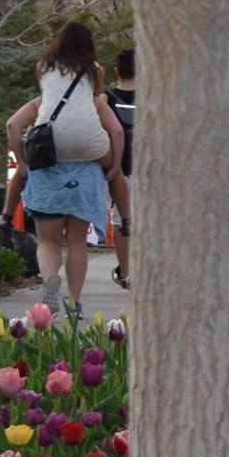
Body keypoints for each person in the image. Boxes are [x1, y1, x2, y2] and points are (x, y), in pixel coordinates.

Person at [0, 20, 122, 317]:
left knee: (48, 242)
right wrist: (115, 165)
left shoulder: (43, 66)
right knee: (77, 243)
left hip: (48, 164)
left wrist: (23, 162)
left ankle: (50, 282)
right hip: (86, 166)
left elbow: (13, 126)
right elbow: (116, 131)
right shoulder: (94, 69)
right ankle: (75, 303)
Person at [103, 48, 136, 289]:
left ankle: (125, 272)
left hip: (118, 170)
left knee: (121, 221)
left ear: (117, 70)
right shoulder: (154, 96)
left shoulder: (107, 99)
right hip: (149, 169)